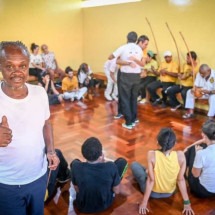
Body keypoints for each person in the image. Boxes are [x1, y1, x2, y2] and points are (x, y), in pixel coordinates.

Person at [0, 41, 59, 215]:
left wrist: (51, 151)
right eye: (9, 66)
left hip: (38, 177)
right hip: (6, 183)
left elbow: (46, 123)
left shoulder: (39, 93)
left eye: (22, 66)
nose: (17, 72)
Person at [131, 128, 194, 215]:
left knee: (134, 165)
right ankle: (148, 170)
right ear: (174, 143)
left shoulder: (151, 154)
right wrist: (187, 203)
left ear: (157, 142)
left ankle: (148, 170)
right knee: (148, 170)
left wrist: (144, 202)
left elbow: (150, 180)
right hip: (169, 193)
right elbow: (181, 180)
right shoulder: (180, 155)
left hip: (153, 193)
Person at [70, 137, 128, 214]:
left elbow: (77, 189)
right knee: (122, 162)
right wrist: (103, 162)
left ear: (83, 155)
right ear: (101, 154)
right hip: (106, 204)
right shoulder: (111, 166)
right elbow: (116, 191)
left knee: (75, 161)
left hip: (82, 206)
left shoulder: (75, 166)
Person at [111, 32, 148, 129]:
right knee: (133, 98)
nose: (146, 46)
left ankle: (128, 122)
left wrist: (127, 62)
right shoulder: (140, 50)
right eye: (145, 44)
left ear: (127, 38)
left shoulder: (123, 47)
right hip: (136, 77)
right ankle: (134, 118)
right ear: (137, 40)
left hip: (126, 76)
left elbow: (114, 58)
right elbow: (142, 64)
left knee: (125, 98)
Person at [184, 120, 215, 198]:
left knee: (192, 151)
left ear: (203, 135)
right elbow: (204, 140)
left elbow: (195, 174)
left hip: (202, 190)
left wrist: (197, 154)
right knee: (193, 148)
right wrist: (188, 147)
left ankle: (182, 174)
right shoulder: (209, 140)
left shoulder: (202, 154)